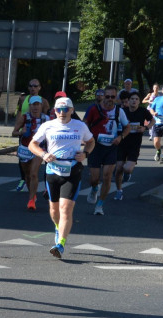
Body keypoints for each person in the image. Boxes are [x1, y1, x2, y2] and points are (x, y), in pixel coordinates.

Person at [27, 97, 94, 260]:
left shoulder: (80, 126)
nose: (62, 113)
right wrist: (43, 154)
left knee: (66, 208)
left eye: (66, 109)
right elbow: (32, 144)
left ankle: (60, 244)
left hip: (72, 171)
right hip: (53, 172)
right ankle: (58, 227)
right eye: (59, 110)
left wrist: (85, 153)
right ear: (54, 111)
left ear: (72, 110)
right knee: (54, 209)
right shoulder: (48, 126)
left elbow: (91, 141)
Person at [82, 84, 129, 216]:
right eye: (107, 96)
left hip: (111, 147)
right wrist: (87, 136)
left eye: (112, 97)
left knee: (107, 176)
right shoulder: (93, 109)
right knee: (94, 178)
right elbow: (85, 122)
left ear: (116, 97)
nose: (109, 99)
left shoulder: (119, 111)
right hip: (95, 146)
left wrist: (121, 137)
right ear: (103, 96)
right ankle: (94, 188)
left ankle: (100, 205)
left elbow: (127, 127)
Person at [113, 89, 153, 200]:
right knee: (119, 168)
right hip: (122, 142)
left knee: (127, 169)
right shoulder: (122, 111)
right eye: (132, 99)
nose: (134, 101)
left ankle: (127, 174)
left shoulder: (143, 111)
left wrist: (145, 128)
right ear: (128, 101)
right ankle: (119, 190)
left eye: (136, 99)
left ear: (139, 101)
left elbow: (152, 121)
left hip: (134, 144)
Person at [11, 95, 49, 211]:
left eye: (38, 104)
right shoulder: (24, 117)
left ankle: (31, 200)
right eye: (33, 105)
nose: (35, 107)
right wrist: (22, 132)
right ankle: (32, 194)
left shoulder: (46, 119)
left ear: (41, 106)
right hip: (25, 148)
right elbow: (14, 132)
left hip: (38, 148)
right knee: (27, 175)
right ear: (30, 106)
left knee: (33, 173)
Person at [13, 78, 42, 191]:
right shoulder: (23, 99)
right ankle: (23, 179)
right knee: (23, 159)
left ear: (39, 87)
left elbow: (46, 116)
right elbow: (20, 113)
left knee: (35, 169)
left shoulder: (42, 101)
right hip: (25, 133)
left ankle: (42, 185)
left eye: (35, 86)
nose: (33, 88)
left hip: (39, 138)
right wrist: (19, 130)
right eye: (31, 86)